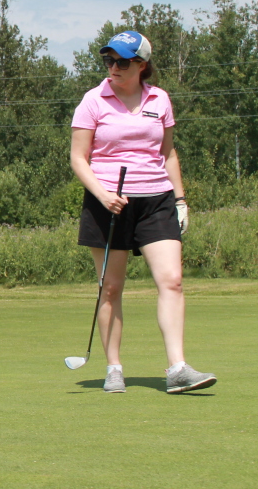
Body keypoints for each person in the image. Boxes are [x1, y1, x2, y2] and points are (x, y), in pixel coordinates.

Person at [70, 31, 215, 394]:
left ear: (141, 65)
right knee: (111, 288)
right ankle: (114, 368)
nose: (112, 68)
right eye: (108, 61)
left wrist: (180, 200)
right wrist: (103, 195)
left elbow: (167, 153)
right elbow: (78, 157)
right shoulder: (93, 100)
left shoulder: (160, 99)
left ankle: (178, 368)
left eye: (121, 61)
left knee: (172, 280)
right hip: (109, 202)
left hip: (157, 200)